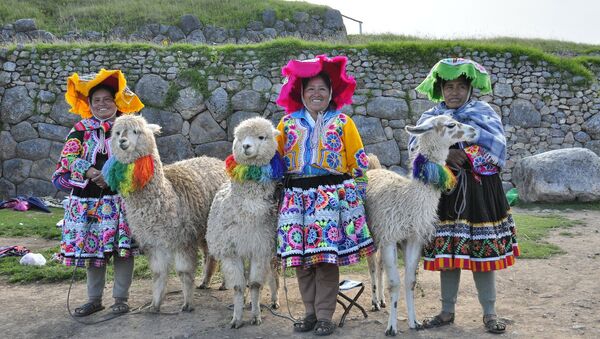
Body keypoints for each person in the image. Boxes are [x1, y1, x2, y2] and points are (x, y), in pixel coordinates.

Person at [409, 58, 519, 334]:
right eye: (448, 86)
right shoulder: (431, 118)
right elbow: (418, 149)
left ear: (469, 89)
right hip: (445, 193)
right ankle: (446, 310)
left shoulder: (484, 112)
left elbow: (497, 146)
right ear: (440, 89)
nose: (454, 92)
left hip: (479, 192)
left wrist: (465, 153)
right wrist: (446, 155)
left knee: (481, 253)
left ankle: (490, 312)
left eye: (460, 86)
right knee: (449, 252)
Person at [275, 54, 376, 336]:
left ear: (331, 93)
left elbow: (358, 161)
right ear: (301, 93)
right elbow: (275, 160)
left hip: (330, 197)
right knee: (301, 259)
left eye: (322, 89)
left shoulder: (343, 122)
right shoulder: (287, 124)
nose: (316, 94)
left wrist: (358, 198)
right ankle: (308, 313)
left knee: (324, 259)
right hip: (296, 197)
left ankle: (324, 316)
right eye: (311, 90)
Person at [52, 69, 144, 316]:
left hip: (120, 198)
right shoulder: (80, 129)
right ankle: (94, 299)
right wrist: (92, 171)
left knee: (121, 250)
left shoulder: (128, 127)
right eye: (97, 101)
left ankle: (121, 299)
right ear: (90, 104)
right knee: (92, 250)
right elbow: (68, 158)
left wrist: (111, 175)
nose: (102, 104)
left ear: (116, 101)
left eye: (107, 99)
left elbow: (140, 157)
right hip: (88, 201)